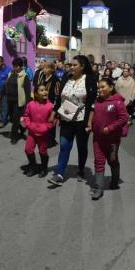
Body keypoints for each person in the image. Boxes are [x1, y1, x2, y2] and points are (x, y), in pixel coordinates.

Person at [48, 55, 98, 186]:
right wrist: (53, 114)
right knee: (64, 146)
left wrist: (89, 122)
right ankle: (59, 173)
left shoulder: (89, 79)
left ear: (82, 67)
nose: (71, 67)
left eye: (75, 65)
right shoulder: (66, 78)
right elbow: (59, 98)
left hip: (82, 120)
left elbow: (93, 103)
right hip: (66, 118)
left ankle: (81, 169)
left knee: (82, 147)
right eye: (70, 65)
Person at [86, 78, 129, 200]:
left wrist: (110, 128)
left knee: (112, 160)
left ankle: (115, 180)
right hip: (98, 138)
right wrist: (90, 124)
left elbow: (123, 119)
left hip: (112, 139)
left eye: (103, 87)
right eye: (99, 87)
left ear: (111, 87)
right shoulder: (97, 101)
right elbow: (92, 111)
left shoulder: (118, 102)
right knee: (99, 161)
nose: (100, 89)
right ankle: (99, 188)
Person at [21, 85, 55, 177]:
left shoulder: (50, 106)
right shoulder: (30, 104)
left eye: (46, 90)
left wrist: (47, 127)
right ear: (36, 94)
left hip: (43, 134)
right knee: (28, 149)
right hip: (32, 133)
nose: (45, 92)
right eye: (42, 90)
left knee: (42, 151)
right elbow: (26, 115)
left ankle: (44, 168)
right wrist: (28, 125)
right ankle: (33, 167)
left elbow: (53, 120)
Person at [1, 57, 31, 145]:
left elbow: (27, 92)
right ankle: (22, 129)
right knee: (13, 119)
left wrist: (27, 105)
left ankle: (14, 137)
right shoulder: (11, 74)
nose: (14, 68)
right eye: (14, 66)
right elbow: (5, 85)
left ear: (21, 67)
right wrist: (1, 94)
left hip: (19, 102)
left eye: (16, 66)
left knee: (15, 119)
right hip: (9, 101)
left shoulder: (24, 76)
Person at [33, 61, 60, 147]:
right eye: (44, 67)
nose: (44, 69)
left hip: (51, 104)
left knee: (51, 122)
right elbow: (38, 88)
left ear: (52, 69)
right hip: (42, 103)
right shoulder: (42, 77)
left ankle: (51, 140)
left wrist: (55, 108)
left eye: (47, 67)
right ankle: (44, 138)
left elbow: (57, 94)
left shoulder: (55, 79)